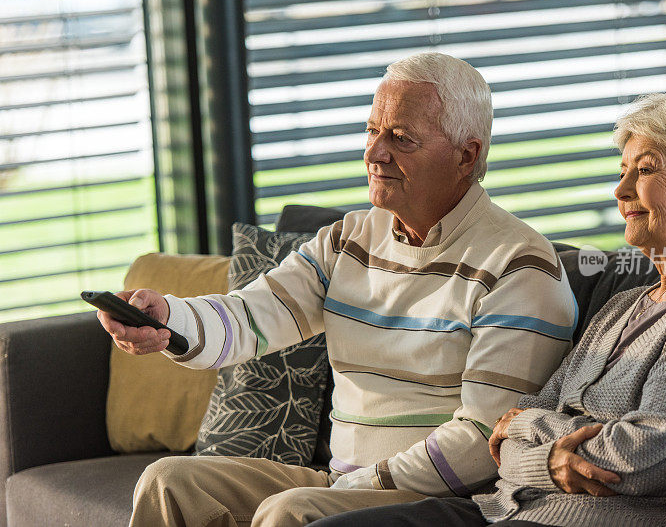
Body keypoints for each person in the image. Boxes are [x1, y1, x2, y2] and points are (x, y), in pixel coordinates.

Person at [97, 52, 577, 527]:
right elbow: (251, 317)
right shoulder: (348, 240)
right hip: (344, 485)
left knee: (291, 509)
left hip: (442, 503)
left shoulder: (519, 266)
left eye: (401, 138)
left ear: (466, 155)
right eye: (372, 131)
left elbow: (481, 441)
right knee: (169, 481)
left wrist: (351, 486)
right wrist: (168, 320)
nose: (374, 153)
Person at [305, 89, 666, 527]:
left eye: (647, 169)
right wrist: (548, 449)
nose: (621, 192)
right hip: (503, 509)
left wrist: (535, 434)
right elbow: (502, 439)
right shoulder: (622, 307)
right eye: (622, 172)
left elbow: (642, 459)